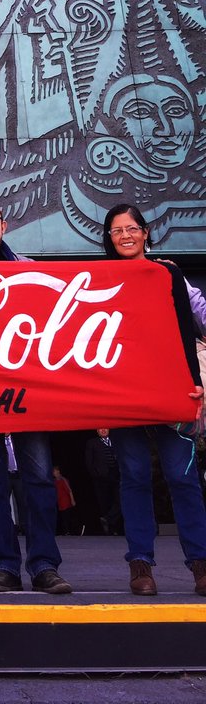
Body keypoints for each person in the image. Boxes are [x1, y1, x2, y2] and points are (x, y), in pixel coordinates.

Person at [0, 200, 72, 594]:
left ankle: (44, 566)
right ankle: (4, 566)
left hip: (29, 391)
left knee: (38, 479)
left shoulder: (32, 270)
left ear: (3, 225)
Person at [101, 203, 206, 596]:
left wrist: (198, 382)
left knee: (182, 477)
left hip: (172, 390)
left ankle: (201, 565)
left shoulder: (169, 274)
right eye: (117, 230)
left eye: (132, 228)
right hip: (123, 393)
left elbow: (193, 324)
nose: (125, 236)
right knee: (134, 476)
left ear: (145, 233)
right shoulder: (99, 279)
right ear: (108, 238)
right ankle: (140, 565)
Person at [84, 429, 122, 535]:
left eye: (105, 428)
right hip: (101, 477)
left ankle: (109, 520)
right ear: (97, 431)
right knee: (105, 501)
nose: (103, 430)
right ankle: (110, 530)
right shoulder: (92, 442)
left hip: (117, 475)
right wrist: (95, 473)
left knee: (120, 499)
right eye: (101, 428)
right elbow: (89, 460)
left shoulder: (116, 440)